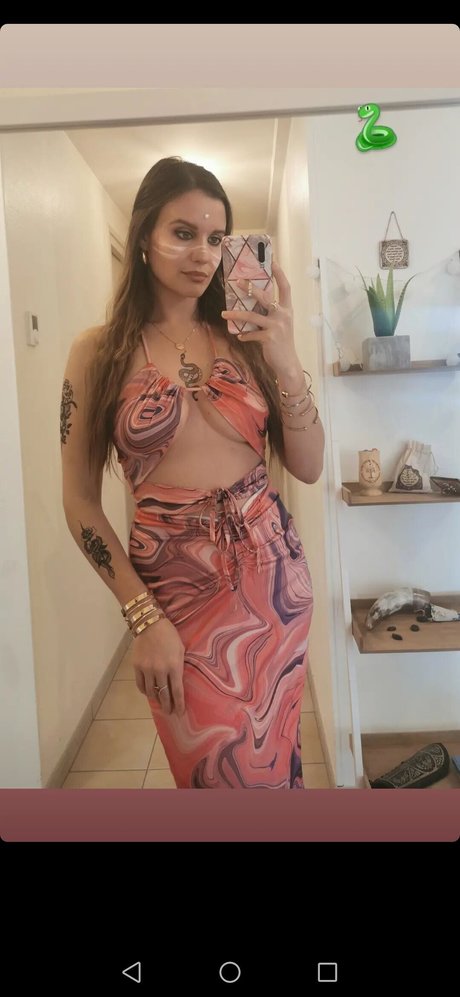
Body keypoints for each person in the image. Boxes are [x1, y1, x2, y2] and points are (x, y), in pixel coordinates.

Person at [61, 156, 325, 789]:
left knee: (273, 771)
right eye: (183, 233)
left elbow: (310, 467)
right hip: (175, 600)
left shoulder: (245, 335)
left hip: (275, 583)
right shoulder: (98, 352)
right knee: (219, 779)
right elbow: (80, 502)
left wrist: (286, 361)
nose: (202, 254)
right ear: (143, 237)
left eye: (216, 237)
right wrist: (142, 617)